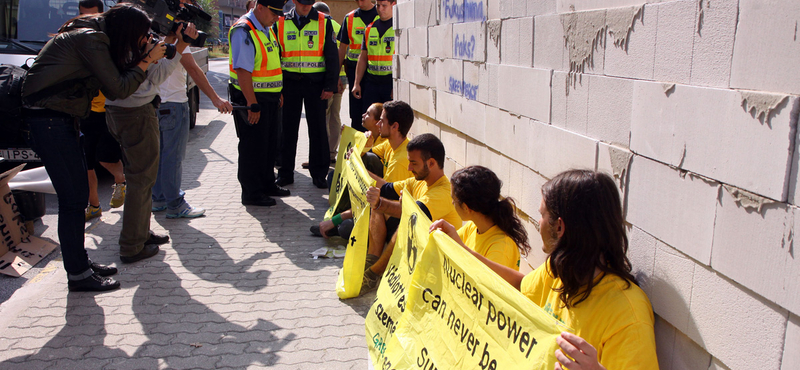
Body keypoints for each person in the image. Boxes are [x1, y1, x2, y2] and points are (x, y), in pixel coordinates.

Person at [439, 170, 658, 369]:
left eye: (542, 215)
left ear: (560, 226)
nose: (538, 223)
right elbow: (520, 286)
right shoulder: (558, 270)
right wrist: (462, 251)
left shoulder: (628, 315)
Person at [21, 4, 166, 292]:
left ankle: (81, 265)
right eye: (139, 35)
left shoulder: (93, 35)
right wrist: (147, 60)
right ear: (126, 30)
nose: (141, 40)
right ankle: (78, 274)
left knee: (74, 199)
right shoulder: (92, 39)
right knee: (74, 200)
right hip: (49, 120)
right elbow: (118, 88)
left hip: (58, 118)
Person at [105, 22, 200, 264]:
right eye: (145, 33)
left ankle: (141, 234)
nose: (149, 37)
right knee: (140, 181)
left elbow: (157, 76)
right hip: (134, 114)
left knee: (145, 179)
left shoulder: (133, 51)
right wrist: (150, 57)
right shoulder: (122, 53)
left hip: (138, 112)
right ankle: (131, 245)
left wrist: (179, 45)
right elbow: (138, 84)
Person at [152, 1, 234, 219]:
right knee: (172, 158)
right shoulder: (176, 41)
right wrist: (216, 99)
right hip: (174, 104)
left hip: (155, 104)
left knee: (160, 156)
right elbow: (195, 72)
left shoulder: (150, 36)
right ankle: (175, 204)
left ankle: (158, 198)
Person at [362, 133, 462, 292]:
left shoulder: (443, 191)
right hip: (417, 245)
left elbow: (411, 215)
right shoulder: (419, 181)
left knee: (404, 221)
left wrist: (379, 202)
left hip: (435, 260)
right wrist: (357, 167)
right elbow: (386, 188)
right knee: (378, 209)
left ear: (431, 163)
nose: (409, 168)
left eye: (413, 163)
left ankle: (374, 273)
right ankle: (370, 263)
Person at [312, 100, 415, 239]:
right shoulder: (391, 144)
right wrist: (357, 150)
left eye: (382, 121)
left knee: (346, 227)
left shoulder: (401, 161)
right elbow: (363, 154)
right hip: (381, 203)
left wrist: (337, 219)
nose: (378, 124)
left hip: (391, 216)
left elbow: (383, 202)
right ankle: (338, 219)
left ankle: (335, 225)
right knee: (366, 159)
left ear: (395, 126)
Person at [273, 0, 339, 189]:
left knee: (318, 129)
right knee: (287, 129)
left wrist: (329, 86)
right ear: (294, 1)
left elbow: (332, 56)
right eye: (302, 3)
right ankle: (285, 173)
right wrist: (278, 88)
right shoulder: (281, 22)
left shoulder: (323, 22)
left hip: (316, 85)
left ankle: (319, 174)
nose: (306, 6)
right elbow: (275, 56)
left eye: (309, 3)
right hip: (289, 84)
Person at [229, 0, 289, 207]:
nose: (277, 18)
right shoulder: (244, 30)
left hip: (269, 98)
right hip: (252, 99)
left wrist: (277, 92)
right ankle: (252, 193)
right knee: (253, 147)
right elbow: (243, 71)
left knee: (269, 145)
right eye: (273, 13)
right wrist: (252, 103)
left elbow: (271, 63)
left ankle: (267, 184)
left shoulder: (266, 28)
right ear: (259, 6)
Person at [77, 0, 128, 222]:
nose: (87, 22)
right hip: (84, 111)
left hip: (109, 109)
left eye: (92, 17)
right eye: (82, 16)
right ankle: (94, 205)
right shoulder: (75, 39)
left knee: (105, 158)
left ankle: (120, 179)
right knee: (87, 162)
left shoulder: (109, 41)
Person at [429, 166, 530, 270]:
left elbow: (485, 282)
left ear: (466, 207)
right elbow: (451, 244)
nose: (452, 202)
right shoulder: (472, 227)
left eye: (453, 199)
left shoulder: (501, 248)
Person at [312, 1, 348, 164]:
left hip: (327, 80)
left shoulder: (320, 25)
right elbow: (342, 53)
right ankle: (332, 152)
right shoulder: (338, 25)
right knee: (335, 115)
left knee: (323, 117)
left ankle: (323, 153)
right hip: (342, 79)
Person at [337, 0, 377, 131]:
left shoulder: (381, 15)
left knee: (374, 112)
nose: (360, 2)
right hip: (354, 71)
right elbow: (342, 48)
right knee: (356, 113)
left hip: (374, 72)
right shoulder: (350, 18)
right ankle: (358, 146)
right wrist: (336, 75)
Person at [351, 0, 395, 112]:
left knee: (389, 119)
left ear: (393, 5)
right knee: (369, 117)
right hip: (372, 82)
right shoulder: (369, 28)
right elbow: (363, 58)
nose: (380, 9)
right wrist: (357, 83)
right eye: (378, 5)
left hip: (390, 81)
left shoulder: (398, 28)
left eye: (384, 6)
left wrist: (397, 85)